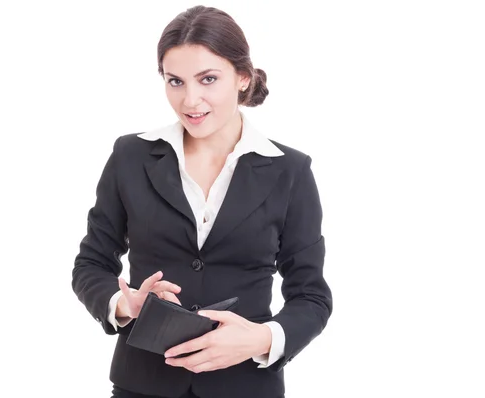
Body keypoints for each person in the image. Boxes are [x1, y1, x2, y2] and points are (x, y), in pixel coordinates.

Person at [72, 5, 332, 398]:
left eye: (208, 79)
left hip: (245, 386)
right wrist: (125, 305)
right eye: (175, 81)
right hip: (143, 384)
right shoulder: (131, 156)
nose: (190, 100)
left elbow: (311, 295)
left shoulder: (290, 171)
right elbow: (91, 263)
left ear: (242, 78)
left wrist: (261, 339)